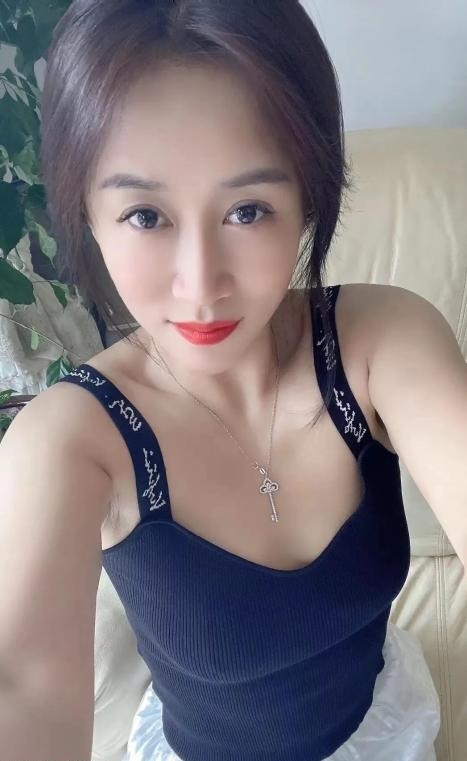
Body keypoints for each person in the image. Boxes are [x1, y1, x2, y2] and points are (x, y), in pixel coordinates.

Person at [1, 1, 451, 759]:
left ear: (307, 200)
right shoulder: (71, 439)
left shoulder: (380, 343)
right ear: (87, 214)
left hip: (383, 726)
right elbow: (25, 685)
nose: (201, 284)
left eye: (247, 210)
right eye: (146, 216)